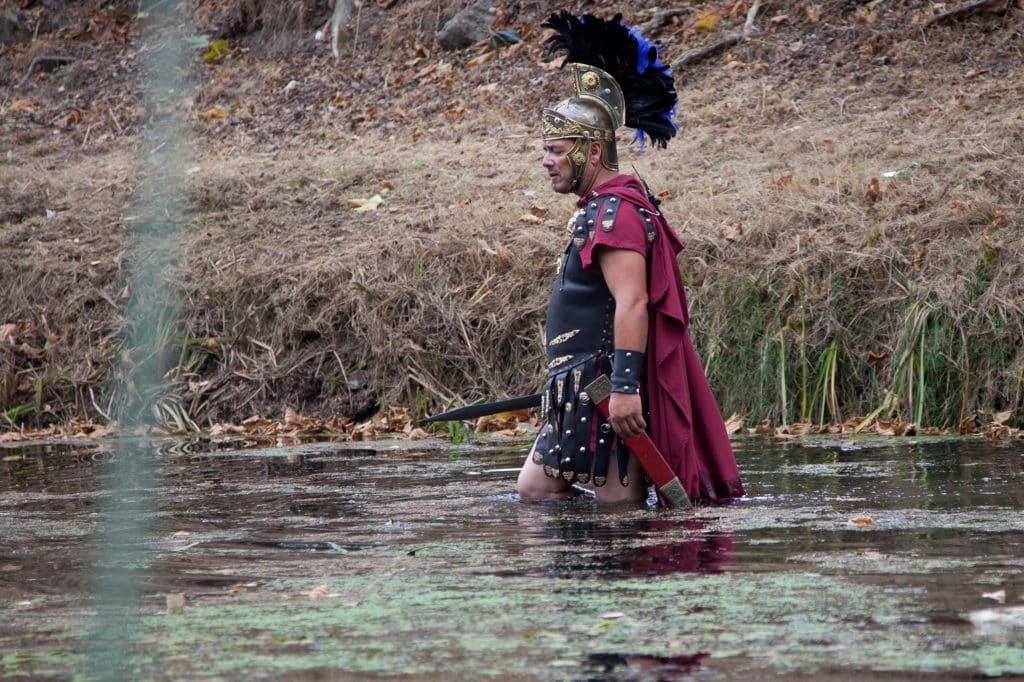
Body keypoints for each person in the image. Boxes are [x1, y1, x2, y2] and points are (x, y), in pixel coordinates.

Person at [516, 11, 744, 505]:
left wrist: (623, 390)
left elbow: (634, 301)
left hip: (602, 386)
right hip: (578, 385)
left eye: (555, 150)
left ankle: (633, 575)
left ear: (592, 151)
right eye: (545, 150)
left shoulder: (615, 213)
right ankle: (597, 574)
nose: (546, 161)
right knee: (540, 492)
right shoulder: (603, 208)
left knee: (616, 507)